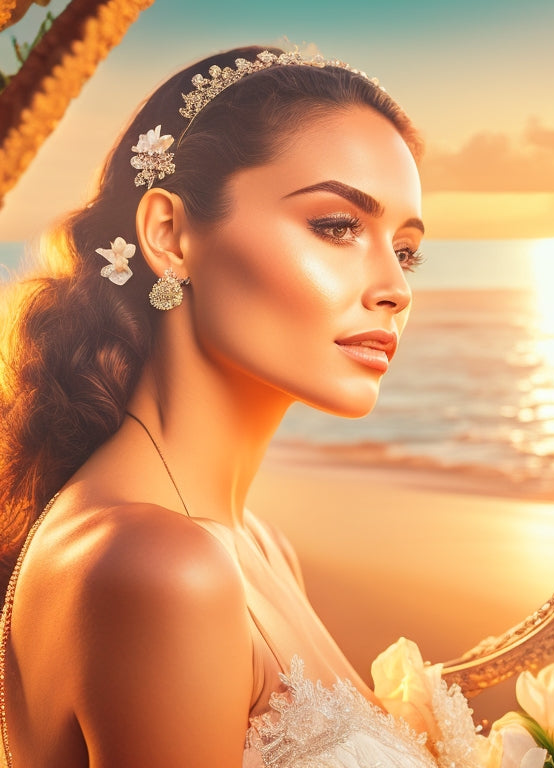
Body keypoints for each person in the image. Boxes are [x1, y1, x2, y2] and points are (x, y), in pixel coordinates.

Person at [0, 45, 450, 768]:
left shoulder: (259, 547)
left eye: (407, 249)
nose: (395, 286)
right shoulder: (160, 567)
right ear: (170, 236)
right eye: (337, 225)